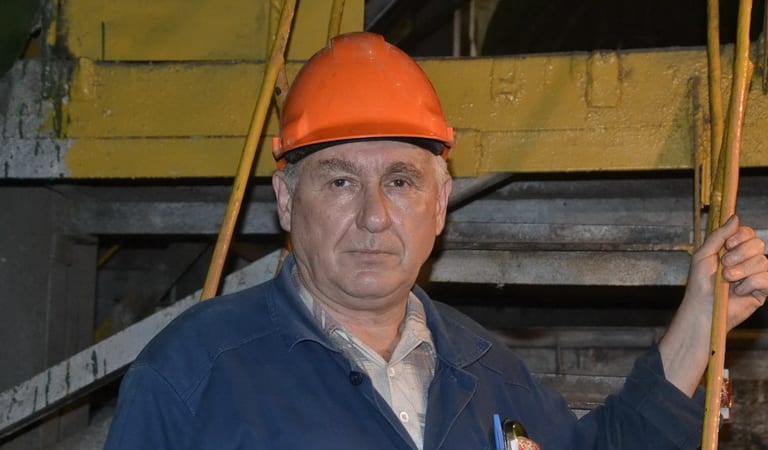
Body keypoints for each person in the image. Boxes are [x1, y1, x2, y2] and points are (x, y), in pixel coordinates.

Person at [103, 32, 768, 450]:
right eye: (339, 182)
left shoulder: (488, 373)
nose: (373, 217)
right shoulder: (193, 374)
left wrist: (700, 320)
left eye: (400, 182)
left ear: (441, 203)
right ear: (285, 198)